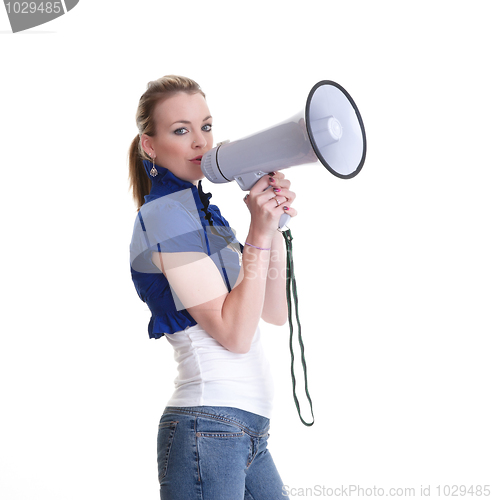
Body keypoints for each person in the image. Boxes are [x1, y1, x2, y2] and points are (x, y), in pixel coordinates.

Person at [128, 75, 297, 500]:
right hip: (207, 427)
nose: (200, 143)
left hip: (247, 431)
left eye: (206, 126)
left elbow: (273, 312)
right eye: (180, 130)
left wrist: (272, 226)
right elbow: (234, 334)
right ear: (150, 146)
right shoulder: (164, 216)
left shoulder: (206, 216)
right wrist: (257, 234)